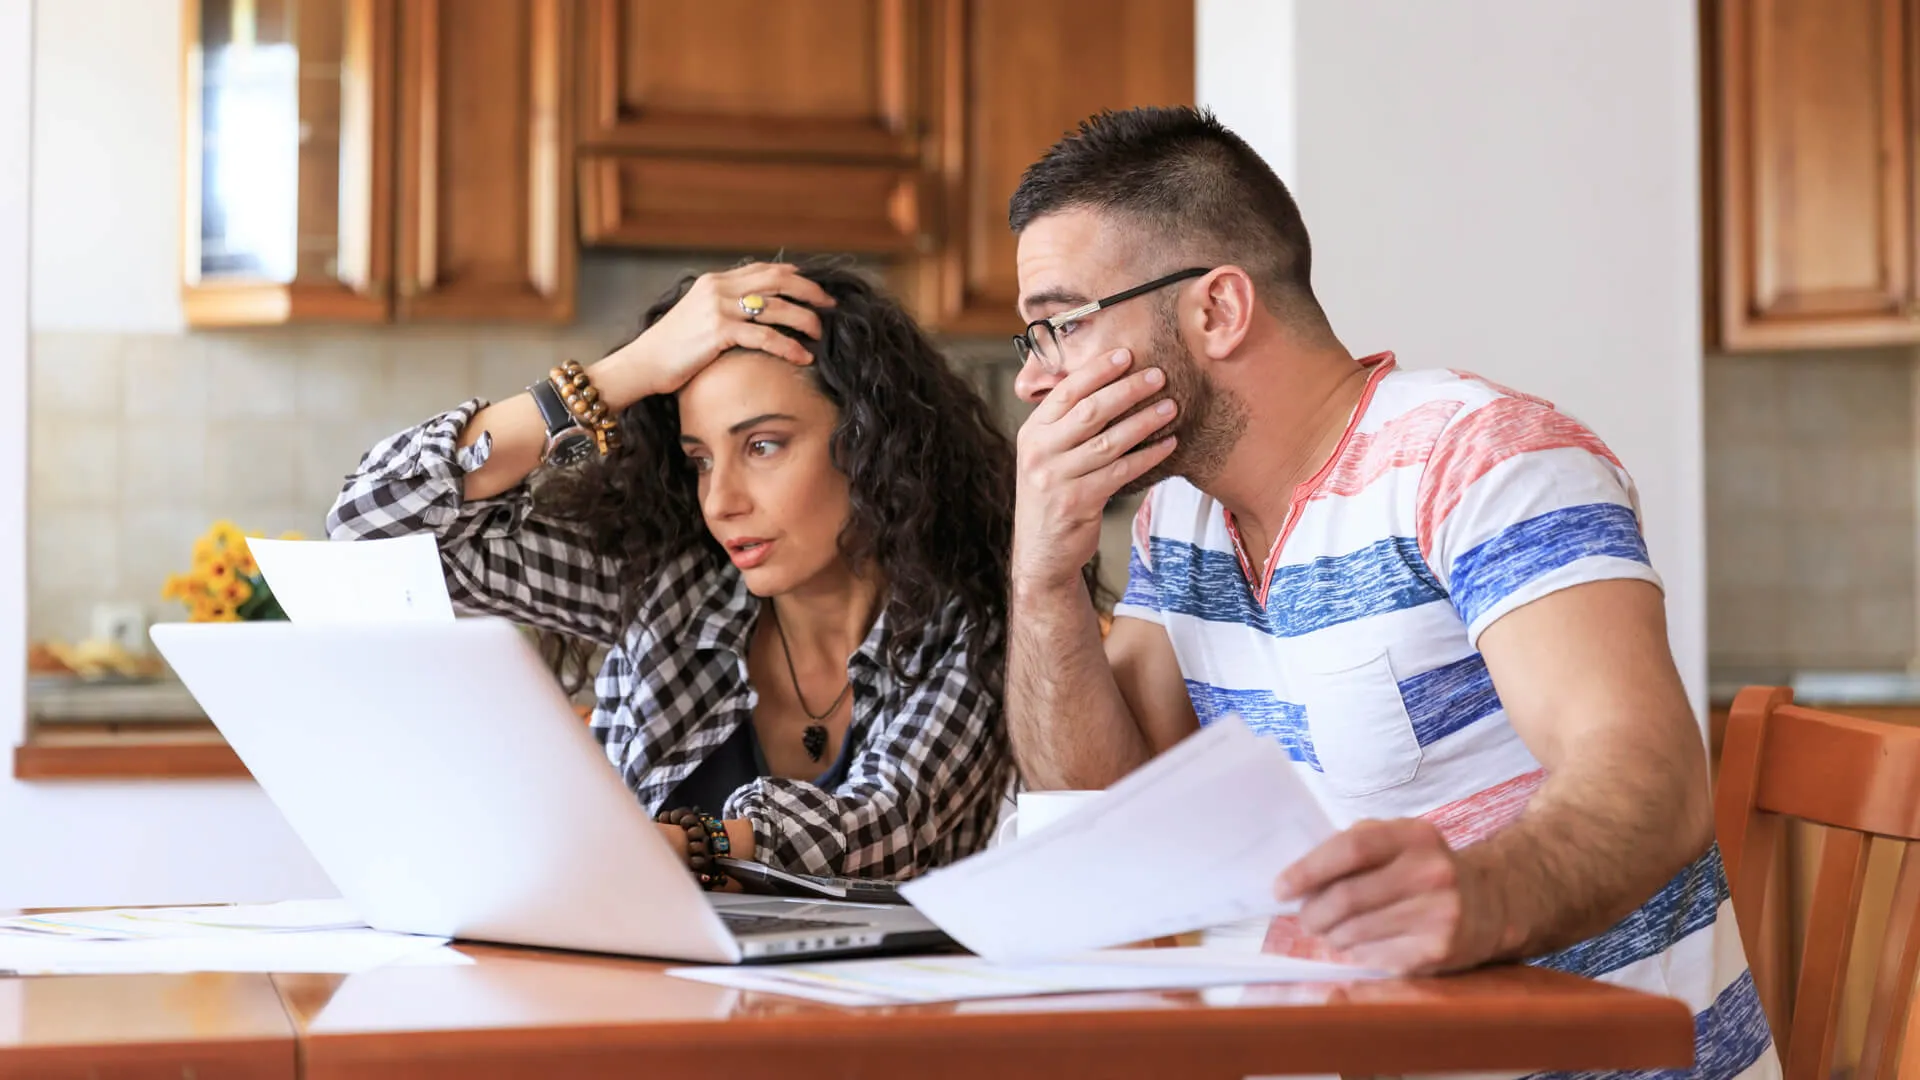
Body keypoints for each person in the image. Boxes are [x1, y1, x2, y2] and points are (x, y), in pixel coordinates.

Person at [1002, 106, 1774, 1079]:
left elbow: (1655, 784)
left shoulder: (1484, 460)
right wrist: (1041, 581)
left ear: (1217, 310)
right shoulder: (1180, 523)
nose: (1037, 382)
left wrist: (1478, 897)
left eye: (1058, 326)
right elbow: (1110, 826)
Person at [327, 261, 1014, 885]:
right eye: (700, 459)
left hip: (896, 1016)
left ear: (870, 443)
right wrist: (618, 376)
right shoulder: (671, 591)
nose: (722, 500)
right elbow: (368, 529)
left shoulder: (975, 623)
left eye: (763, 445)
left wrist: (672, 844)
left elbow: (886, 828)